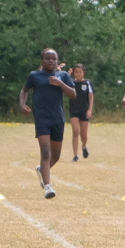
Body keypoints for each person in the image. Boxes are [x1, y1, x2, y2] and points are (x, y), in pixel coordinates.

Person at [20, 50, 75, 197]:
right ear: (41, 60)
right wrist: (22, 105)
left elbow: (73, 94)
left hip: (57, 119)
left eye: (54, 59)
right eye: (48, 58)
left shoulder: (62, 76)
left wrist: (60, 83)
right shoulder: (34, 76)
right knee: (45, 152)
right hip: (41, 119)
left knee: (55, 156)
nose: (51, 61)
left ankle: (41, 170)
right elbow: (24, 90)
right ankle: (48, 187)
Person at [65, 62, 95, 164]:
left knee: (83, 134)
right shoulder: (71, 82)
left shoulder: (87, 83)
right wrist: (68, 75)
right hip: (74, 110)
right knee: (75, 131)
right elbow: (63, 84)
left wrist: (90, 109)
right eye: (76, 72)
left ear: (83, 72)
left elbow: (91, 96)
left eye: (80, 72)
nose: (78, 74)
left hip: (84, 111)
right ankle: (75, 155)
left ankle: (84, 146)